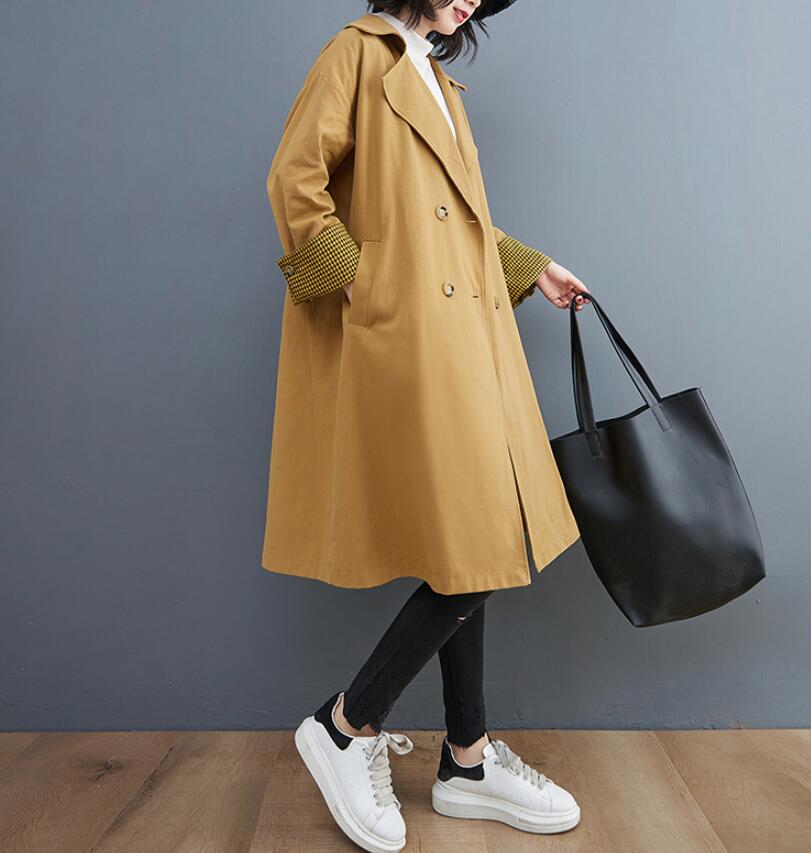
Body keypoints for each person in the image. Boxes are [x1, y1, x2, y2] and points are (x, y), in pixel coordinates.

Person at [263, 2, 590, 851]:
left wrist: (530, 267)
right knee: (476, 535)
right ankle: (346, 724)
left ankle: (467, 760)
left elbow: (451, 217)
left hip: (462, 333)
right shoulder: (356, 53)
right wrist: (367, 290)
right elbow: (294, 179)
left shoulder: (436, 77)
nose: (472, 1)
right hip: (410, 338)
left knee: (469, 540)